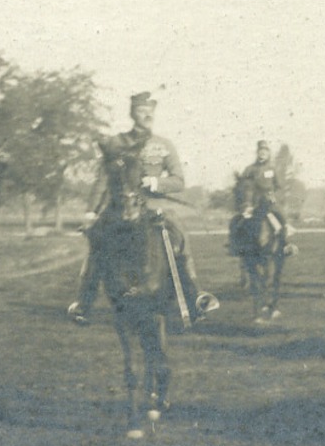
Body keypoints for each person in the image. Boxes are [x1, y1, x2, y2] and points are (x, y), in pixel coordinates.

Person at [68, 91, 218, 326]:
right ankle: (83, 303)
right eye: (141, 110)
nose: (146, 115)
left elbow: (179, 181)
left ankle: (195, 297)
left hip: (154, 207)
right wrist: (91, 211)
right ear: (132, 113)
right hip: (119, 209)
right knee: (97, 242)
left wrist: (156, 182)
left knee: (179, 236)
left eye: (150, 111)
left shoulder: (163, 145)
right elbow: (102, 180)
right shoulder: (117, 143)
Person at [231, 140, 296, 256]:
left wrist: (274, 195)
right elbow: (242, 184)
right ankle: (236, 245)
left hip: (269, 200)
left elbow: (278, 186)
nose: (263, 153)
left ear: (268, 153)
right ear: (257, 152)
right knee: (239, 221)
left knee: (280, 216)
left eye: (265, 151)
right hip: (253, 201)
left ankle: (286, 245)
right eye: (261, 151)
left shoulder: (272, 169)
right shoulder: (250, 169)